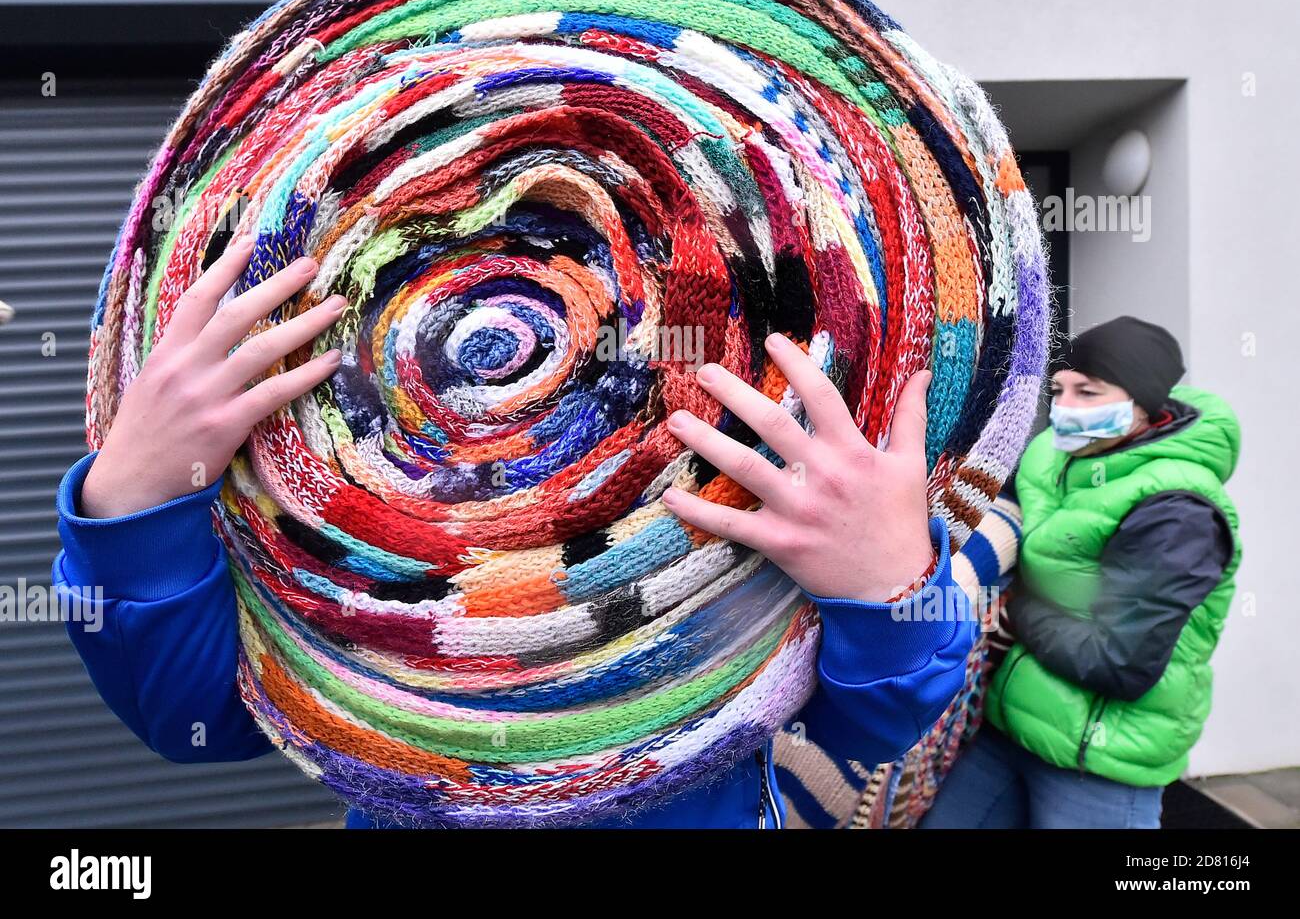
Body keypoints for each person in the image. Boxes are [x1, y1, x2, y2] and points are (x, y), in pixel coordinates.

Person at [52, 236, 978, 829]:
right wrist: (134, 498)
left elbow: (876, 721)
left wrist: (890, 581)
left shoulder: (768, 441)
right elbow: (197, 717)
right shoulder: (323, 466)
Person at [920, 316, 1240, 830]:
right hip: (1012, 727)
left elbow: (1119, 663)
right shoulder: (1059, 457)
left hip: (1101, 761)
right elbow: (996, 511)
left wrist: (1014, 609)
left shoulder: (1179, 514)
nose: (1064, 409)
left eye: (1088, 392)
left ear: (1146, 408)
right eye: (1058, 390)